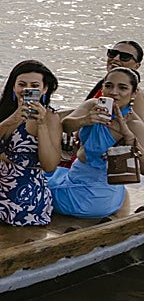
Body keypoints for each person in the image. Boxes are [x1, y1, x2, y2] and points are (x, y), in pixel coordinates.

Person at [49, 66, 144, 217]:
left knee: (33, 188)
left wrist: (127, 135)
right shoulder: (92, 105)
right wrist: (85, 120)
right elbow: (66, 125)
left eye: (122, 88)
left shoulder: (134, 124)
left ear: (134, 93)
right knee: (37, 175)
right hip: (74, 177)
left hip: (93, 196)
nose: (114, 92)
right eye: (109, 86)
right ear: (102, 88)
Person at [0, 60, 63, 226]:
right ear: (13, 87)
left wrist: (41, 125)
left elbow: (50, 166)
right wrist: (13, 119)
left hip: (25, 196)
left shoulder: (50, 117)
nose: (27, 90)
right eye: (22, 84)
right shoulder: (7, 111)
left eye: (34, 85)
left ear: (44, 89)